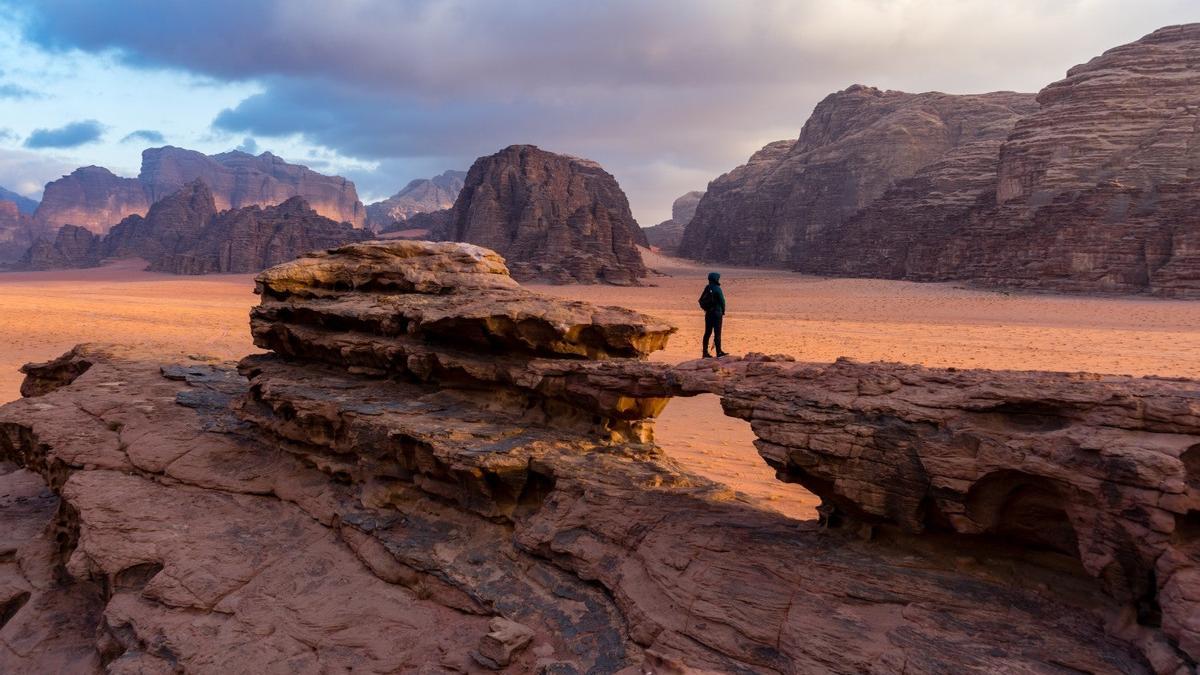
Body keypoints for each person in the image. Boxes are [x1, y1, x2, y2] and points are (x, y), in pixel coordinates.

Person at [698, 271, 728, 358]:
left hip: (708, 313)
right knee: (717, 333)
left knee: (707, 332)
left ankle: (705, 353)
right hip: (717, 313)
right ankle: (718, 352)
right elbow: (722, 301)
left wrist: (706, 309)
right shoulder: (717, 288)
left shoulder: (707, 287)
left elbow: (700, 300)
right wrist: (723, 311)